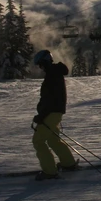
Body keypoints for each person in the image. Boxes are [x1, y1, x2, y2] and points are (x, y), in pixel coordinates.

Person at [32, 50, 77, 181]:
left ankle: (50, 172)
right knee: (53, 139)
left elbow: (48, 99)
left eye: (40, 65)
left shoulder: (52, 75)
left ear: (45, 62)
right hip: (55, 112)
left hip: (51, 113)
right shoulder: (55, 73)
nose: (41, 68)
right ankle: (68, 164)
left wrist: (41, 115)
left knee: (38, 141)